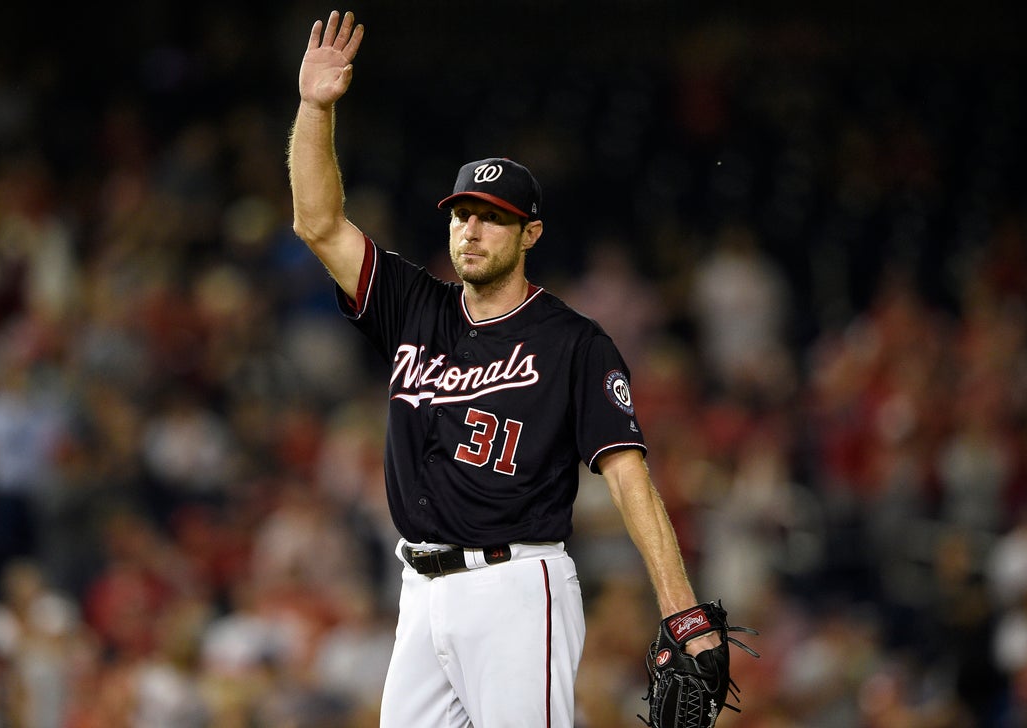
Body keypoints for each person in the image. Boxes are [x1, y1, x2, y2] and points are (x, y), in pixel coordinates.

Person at [287, 11, 721, 726]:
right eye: (462, 214)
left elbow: (628, 476)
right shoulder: (412, 305)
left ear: (531, 233)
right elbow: (317, 223)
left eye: (492, 217)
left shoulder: (572, 343)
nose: (472, 229)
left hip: (518, 585)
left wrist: (681, 607)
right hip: (421, 590)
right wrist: (313, 108)